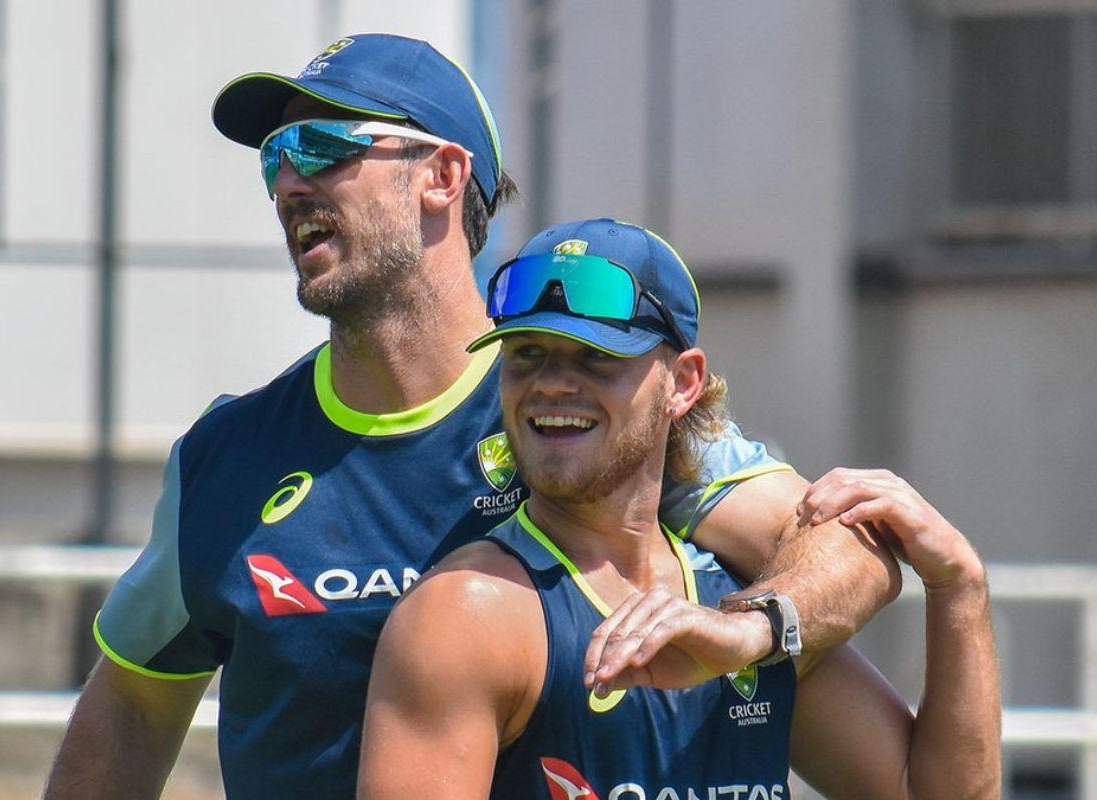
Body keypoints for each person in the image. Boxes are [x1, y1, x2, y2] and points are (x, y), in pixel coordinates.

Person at [44, 35, 899, 799]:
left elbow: (846, 547)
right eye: (276, 157)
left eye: (325, 147)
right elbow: (131, 711)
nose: (290, 181)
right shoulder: (222, 459)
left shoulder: (577, 417)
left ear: (443, 178)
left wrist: (752, 627)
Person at [357, 218, 1001, 800]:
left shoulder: (745, 600)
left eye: (596, 358)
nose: (552, 383)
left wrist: (959, 587)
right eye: (527, 355)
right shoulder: (470, 611)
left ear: (683, 383)